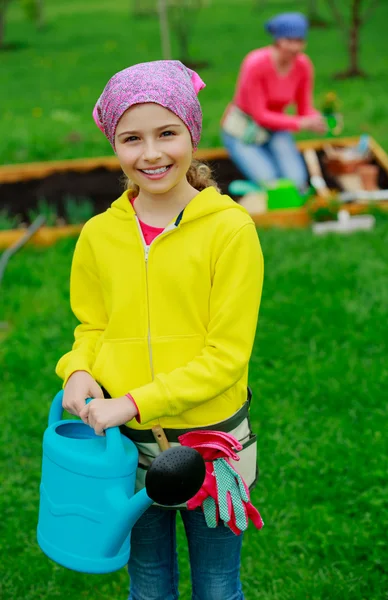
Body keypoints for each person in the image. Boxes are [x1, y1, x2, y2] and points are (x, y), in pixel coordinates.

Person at [56, 60, 264, 600]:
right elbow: (94, 324)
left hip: (210, 445)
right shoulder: (100, 235)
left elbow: (227, 356)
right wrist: (78, 369)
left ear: (191, 133)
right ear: (114, 144)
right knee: (148, 584)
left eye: (167, 133)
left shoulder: (230, 231)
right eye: (132, 138)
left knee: (218, 585)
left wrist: (132, 400)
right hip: (126, 447)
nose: (151, 154)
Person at [221, 12, 326, 191]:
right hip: (242, 130)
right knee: (271, 183)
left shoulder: (303, 66)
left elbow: (304, 108)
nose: (295, 47)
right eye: (289, 40)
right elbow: (260, 115)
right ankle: (248, 187)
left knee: (297, 182)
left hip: (276, 129)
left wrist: (318, 119)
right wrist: (301, 123)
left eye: (300, 41)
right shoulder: (255, 64)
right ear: (277, 40)